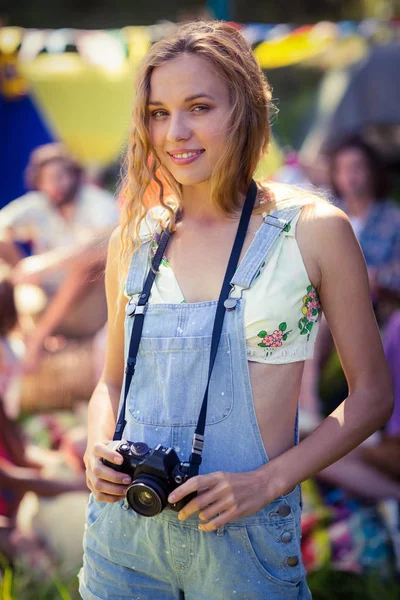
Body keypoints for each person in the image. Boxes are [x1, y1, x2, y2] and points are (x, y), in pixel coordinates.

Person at [80, 21, 393, 600]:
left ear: (244, 107)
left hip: (244, 544)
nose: (176, 131)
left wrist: (266, 482)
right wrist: (96, 447)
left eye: (198, 106)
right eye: (157, 112)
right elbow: (109, 382)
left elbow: (372, 397)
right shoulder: (137, 235)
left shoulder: (313, 230)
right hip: (124, 539)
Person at [0, 143, 118, 366]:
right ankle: (20, 333)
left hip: (88, 307)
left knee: (84, 265)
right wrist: (19, 268)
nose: (55, 185)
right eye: (47, 179)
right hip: (42, 299)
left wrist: (43, 264)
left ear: (74, 175)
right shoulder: (38, 204)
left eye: (60, 176)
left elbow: (105, 246)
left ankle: (36, 340)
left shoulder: (97, 203)